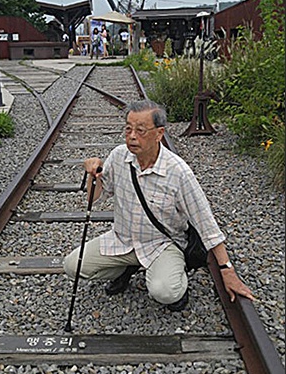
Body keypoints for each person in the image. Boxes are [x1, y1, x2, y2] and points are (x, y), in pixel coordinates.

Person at [64, 100, 254, 312]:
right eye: (128, 128)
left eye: (141, 130)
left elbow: (205, 222)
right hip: (123, 239)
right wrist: (93, 176)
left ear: (159, 133)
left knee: (165, 292)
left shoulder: (178, 172)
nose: (132, 136)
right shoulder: (119, 156)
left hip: (161, 245)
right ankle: (126, 268)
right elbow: (94, 199)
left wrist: (226, 269)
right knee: (72, 266)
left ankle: (175, 278)